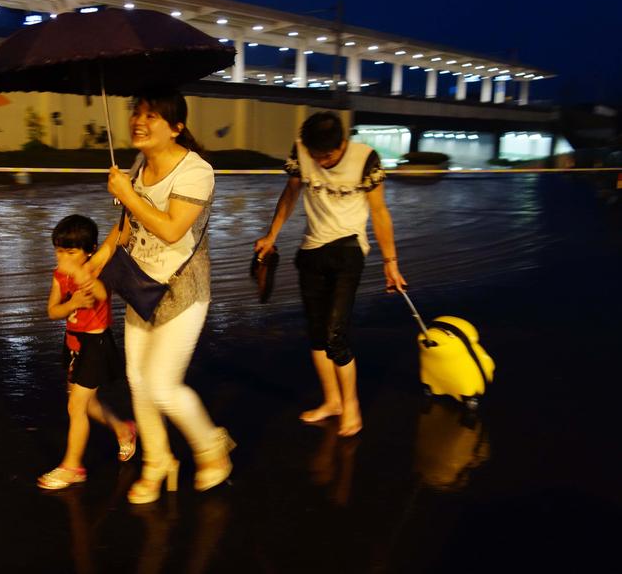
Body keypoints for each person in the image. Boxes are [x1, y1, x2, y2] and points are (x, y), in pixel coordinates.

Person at [90, 89, 234, 504]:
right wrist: (96, 261)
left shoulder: (196, 171)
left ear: (176, 127)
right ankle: (158, 462)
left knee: (162, 385)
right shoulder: (138, 164)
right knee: (138, 381)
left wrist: (128, 194)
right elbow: (126, 227)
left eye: (151, 115)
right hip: (140, 285)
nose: (139, 121)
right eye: (137, 113)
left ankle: (212, 449)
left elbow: (171, 229)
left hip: (182, 291)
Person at [254, 112, 407, 437]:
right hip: (312, 248)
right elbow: (291, 193)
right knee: (316, 333)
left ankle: (352, 406)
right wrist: (271, 235)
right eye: (316, 156)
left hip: (349, 248)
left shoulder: (365, 159)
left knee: (335, 334)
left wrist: (390, 262)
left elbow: (379, 212)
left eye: (327, 156)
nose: (321, 162)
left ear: (342, 144)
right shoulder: (301, 151)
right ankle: (333, 401)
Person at [37, 214, 137, 490]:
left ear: (90, 251)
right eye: (59, 251)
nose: (63, 258)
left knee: (76, 406)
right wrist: (72, 304)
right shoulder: (59, 275)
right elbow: (52, 310)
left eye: (71, 252)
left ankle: (73, 467)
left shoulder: (96, 272)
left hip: (96, 346)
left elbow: (102, 294)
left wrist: (82, 277)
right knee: (88, 405)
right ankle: (123, 429)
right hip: (73, 343)